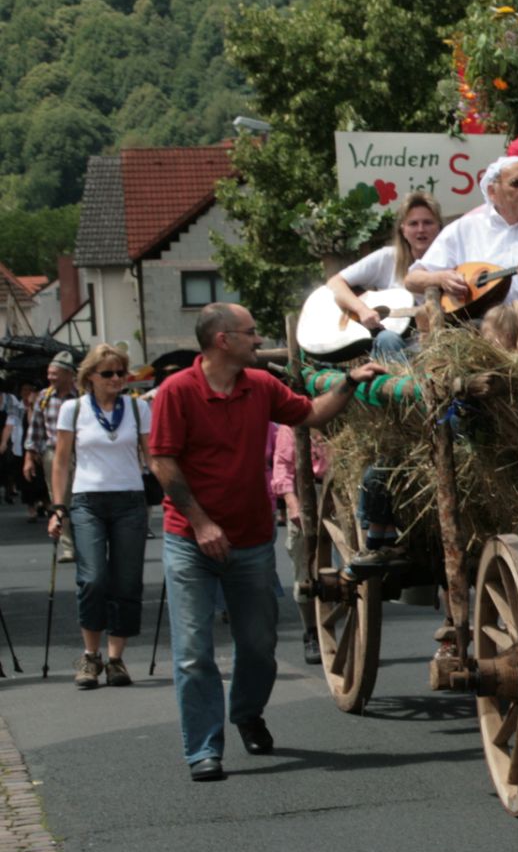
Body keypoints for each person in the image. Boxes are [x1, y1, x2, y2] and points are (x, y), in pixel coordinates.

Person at [149, 303, 382, 783]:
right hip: (189, 540)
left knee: (258, 645)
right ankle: (204, 751)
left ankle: (247, 712)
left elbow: (312, 414)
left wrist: (351, 381)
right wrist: (200, 523)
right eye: (250, 333)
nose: (259, 340)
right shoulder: (177, 391)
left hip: (251, 538)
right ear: (222, 341)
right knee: (194, 652)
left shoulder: (260, 387)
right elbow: (163, 463)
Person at [46, 345, 150, 689]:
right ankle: (91, 656)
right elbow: (61, 462)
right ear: (89, 376)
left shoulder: (138, 408)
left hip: (130, 500)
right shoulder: (72, 410)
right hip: (87, 500)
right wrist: (58, 507)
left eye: (121, 372)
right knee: (92, 578)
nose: (117, 379)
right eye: (108, 373)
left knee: (127, 580)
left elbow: (152, 457)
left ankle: (116, 658)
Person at [406, 156, 518, 325]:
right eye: (517, 183)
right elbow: (412, 280)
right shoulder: (464, 228)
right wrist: (440, 279)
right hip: (478, 330)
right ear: (492, 192)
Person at [325, 191, 443, 359]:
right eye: (413, 224)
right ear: (403, 229)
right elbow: (335, 283)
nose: (421, 229)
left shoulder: (451, 260)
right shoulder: (387, 258)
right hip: (394, 346)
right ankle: (410, 383)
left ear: (439, 226)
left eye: (428, 222)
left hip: (435, 343)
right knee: (387, 338)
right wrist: (362, 310)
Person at [269, 424, 328, 665]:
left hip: (340, 494)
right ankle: (311, 632)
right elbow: (282, 467)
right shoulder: (290, 425)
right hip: (307, 493)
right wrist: (293, 504)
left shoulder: (346, 414)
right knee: (304, 570)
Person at [23, 359, 78, 559]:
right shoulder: (44, 398)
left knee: (82, 498)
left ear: (68, 375)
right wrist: (29, 457)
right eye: (49, 373)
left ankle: (87, 542)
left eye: (55, 373)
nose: (50, 377)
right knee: (60, 499)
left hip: (80, 453)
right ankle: (69, 547)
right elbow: (35, 429)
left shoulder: (82, 396)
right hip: (54, 454)